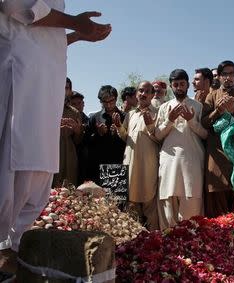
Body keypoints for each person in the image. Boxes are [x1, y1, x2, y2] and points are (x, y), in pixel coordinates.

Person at [0, 0, 111, 276]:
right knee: (15, 163)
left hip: (43, 86)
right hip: (20, 77)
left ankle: (12, 250)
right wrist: (74, 22)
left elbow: (43, 38)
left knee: (37, 171)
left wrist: (75, 35)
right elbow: (17, 7)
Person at [155, 69, 208, 229]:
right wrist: (169, 120)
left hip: (191, 163)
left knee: (191, 208)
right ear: (171, 86)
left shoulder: (198, 107)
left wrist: (191, 121)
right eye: (176, 84)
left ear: (187, 85)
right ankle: (168, 248)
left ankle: (192, 247)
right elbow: (158, 135)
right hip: (169, 163)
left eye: (182, 84)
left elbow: (205, 135)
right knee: (168, 207)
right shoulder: (164, 108)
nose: (179, 87)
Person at [201, 60, 234, 218]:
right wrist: (218, 111)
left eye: (232, 74)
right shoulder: (212, 96)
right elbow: (204, 122)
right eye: (224, 74)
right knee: (217, 211)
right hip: (217, 157)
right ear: (219, 77)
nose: (228, 77)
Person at [113, 81, 160, 230]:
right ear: (136, 94)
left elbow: (160, 137)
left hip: (149, 165)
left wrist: (151, 125)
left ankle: (155, 241)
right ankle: (133, 241)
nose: (143, 94)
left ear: (152, 95)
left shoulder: (158, 112)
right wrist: (119, 126)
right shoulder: (131, 114)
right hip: (131, 164)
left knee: (150, 204)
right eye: (140, 91)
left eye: (147, 91)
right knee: (131, 204)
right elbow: (125, 137)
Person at [86, 85, 126, 185]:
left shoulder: (124, 116)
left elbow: (130, 140)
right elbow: (85, 141)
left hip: (119, 165)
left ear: (116, 99)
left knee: (117, 199)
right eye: (105, 102)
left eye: (111, 101)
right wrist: (98, 133)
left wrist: (119, 131)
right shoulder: (94, 118)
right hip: (98, 166)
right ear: (100, 101)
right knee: (98, 199)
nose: (108, 104)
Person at [52, 83, 83, 187]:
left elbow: (78, 141)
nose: (64, 91)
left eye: (67, 88)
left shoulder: (74, 112)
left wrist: (78, 130)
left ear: (70, 91)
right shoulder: (48, 108)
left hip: (68, 154)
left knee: (68, 189)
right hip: (50, 151)